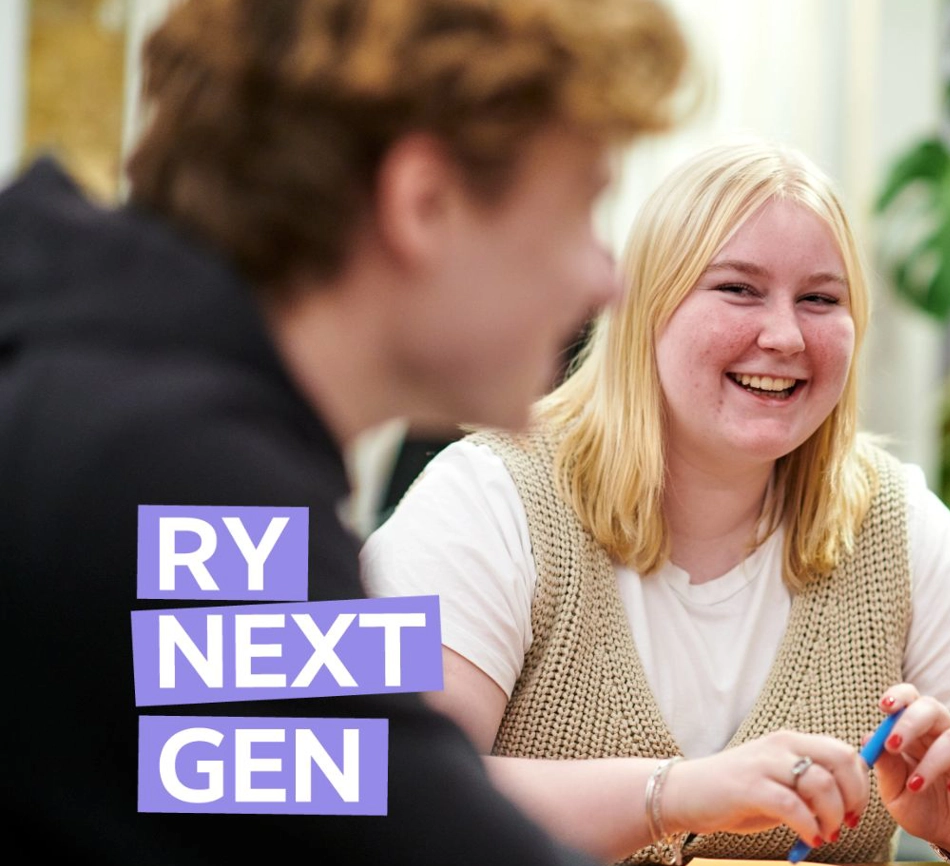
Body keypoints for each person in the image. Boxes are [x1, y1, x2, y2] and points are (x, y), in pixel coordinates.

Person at [0, 0, 687, 862]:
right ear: (424, 203)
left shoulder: (114, 395)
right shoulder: (178, 476)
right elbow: (417, 834)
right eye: (586, 208)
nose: (607, 279)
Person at [364, 141, 950, 865]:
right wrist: (675, 794)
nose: (785, 336)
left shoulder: (886, 520)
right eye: (737, 289)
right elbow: (396, 785)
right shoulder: (490, 500)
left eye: (820, 299)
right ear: (645, 312)